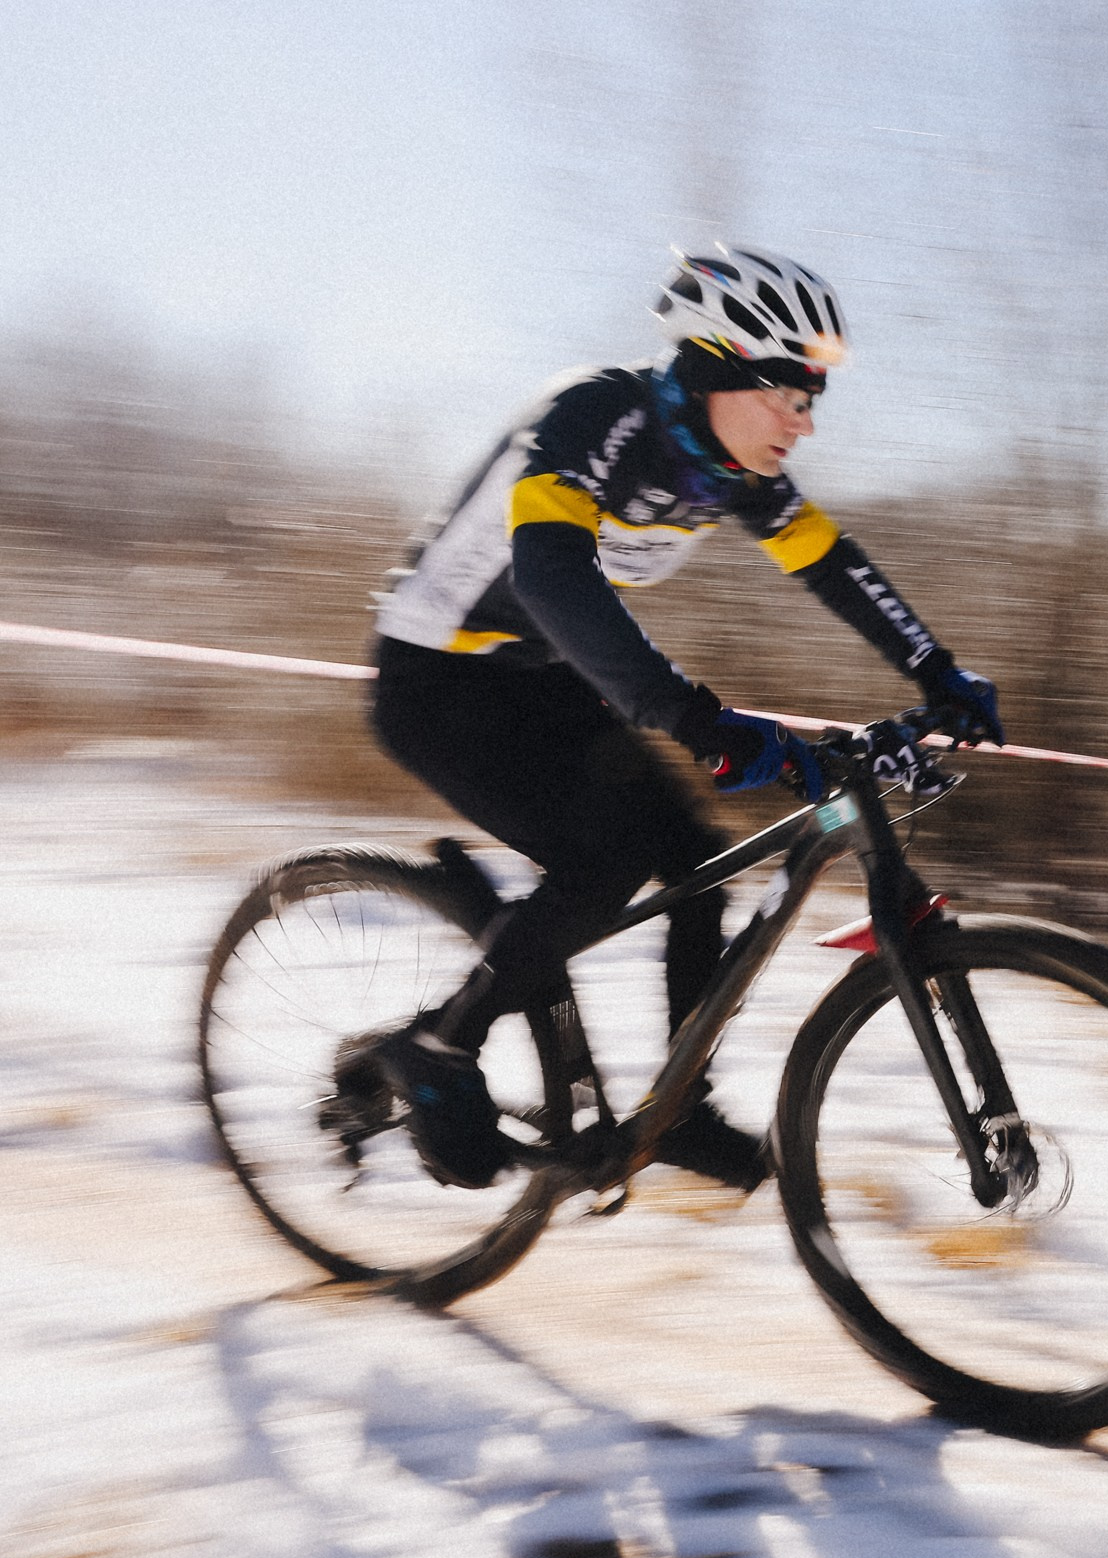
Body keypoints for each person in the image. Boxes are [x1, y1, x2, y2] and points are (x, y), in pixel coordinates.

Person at [365, 244, 1002, 1192]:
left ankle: (680, 1114)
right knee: (603, 863)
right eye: (790, 389)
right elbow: (553, 574)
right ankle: (438, 1049)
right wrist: (693, 716)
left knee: (697, 868)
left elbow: (835, 566)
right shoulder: (591, 417)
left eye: (815, 396)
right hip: (435, 680)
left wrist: (936, 668)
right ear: (718, 363)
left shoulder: (731, 471)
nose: (806, 419)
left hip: (539, 675)